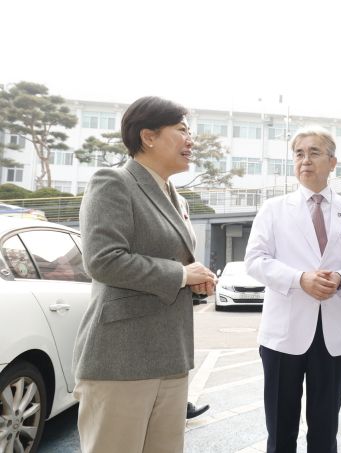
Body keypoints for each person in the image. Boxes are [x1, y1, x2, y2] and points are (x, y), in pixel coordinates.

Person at [73, 96, 217, 453]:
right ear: (148, 137)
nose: (191, 140)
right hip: (122, 359)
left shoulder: (177, 197)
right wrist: (181, 275)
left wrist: (194, 283)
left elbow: (171, 265)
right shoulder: (113, 182)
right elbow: (103, 260)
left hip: (172, 356)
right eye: (182, 130)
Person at [245, 125, 341, 452]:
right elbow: (255, 260)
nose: (305, 160)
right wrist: (299, 279)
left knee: (325, 431)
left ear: (332, 162)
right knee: (280, 431)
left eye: (314, 153)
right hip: (282, 335)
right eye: (299, 154)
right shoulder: (273, 209)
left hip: (331, 335)